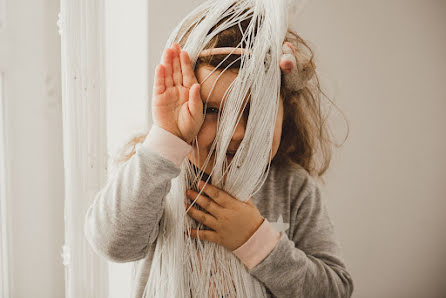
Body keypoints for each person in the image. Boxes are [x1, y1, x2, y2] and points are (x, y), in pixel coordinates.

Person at [84, 5, 354, 298]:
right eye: (212, 109)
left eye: (253, 110)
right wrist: (166, 138)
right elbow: (112, 243)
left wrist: (254, 239)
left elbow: (334, 290)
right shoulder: (158, 176)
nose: (235, 133)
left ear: (284, 111)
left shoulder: (292, 188)